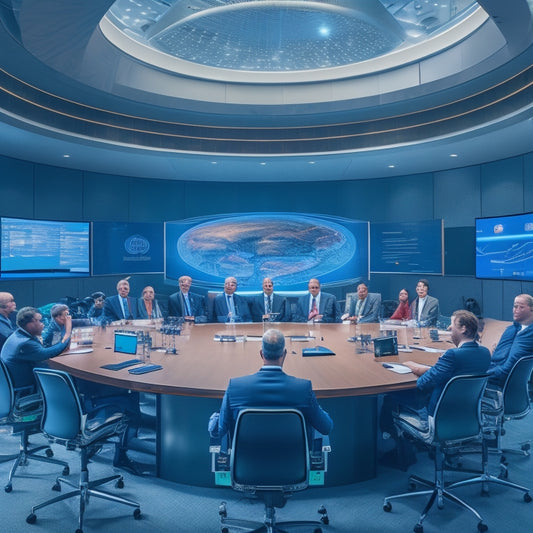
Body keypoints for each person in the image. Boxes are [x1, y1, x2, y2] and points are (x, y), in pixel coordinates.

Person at [379, 310, 490, 469]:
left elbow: (423, 384)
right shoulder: (484, 353)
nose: (449, 330)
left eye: (452, 326)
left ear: (464, 329)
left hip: (437, 418)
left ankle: (401, 454)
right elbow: (455, 373)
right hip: (468, 418)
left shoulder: (452, 355)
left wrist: (417, 369)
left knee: (390, 396)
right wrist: (433, 368)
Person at [209, 328, 333, 441]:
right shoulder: (303, 389)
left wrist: (217, 414)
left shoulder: (235, 387)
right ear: (284, 354)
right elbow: (326, 427)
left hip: (246, 463)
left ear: (261, 354)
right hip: (292, 463)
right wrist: (313, 403)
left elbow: (217, 431)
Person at [0, 306, 71, 391]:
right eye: (40, 321)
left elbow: (43, 340)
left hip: (13, 381)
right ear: (30, 324)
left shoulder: (19, 334)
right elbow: (47, 354)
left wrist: (57, 324)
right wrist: (67, 334)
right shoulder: (25, 343)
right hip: (25, 384)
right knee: (68, 375)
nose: (43, 324)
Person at [486, 294, 533, 388]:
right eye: (514, 306)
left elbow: (507, 369)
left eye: (521, 307)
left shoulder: (529, 334)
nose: (515, 309)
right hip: (493, 372)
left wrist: (483, 375)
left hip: (500, 382)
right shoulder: (512, 329)